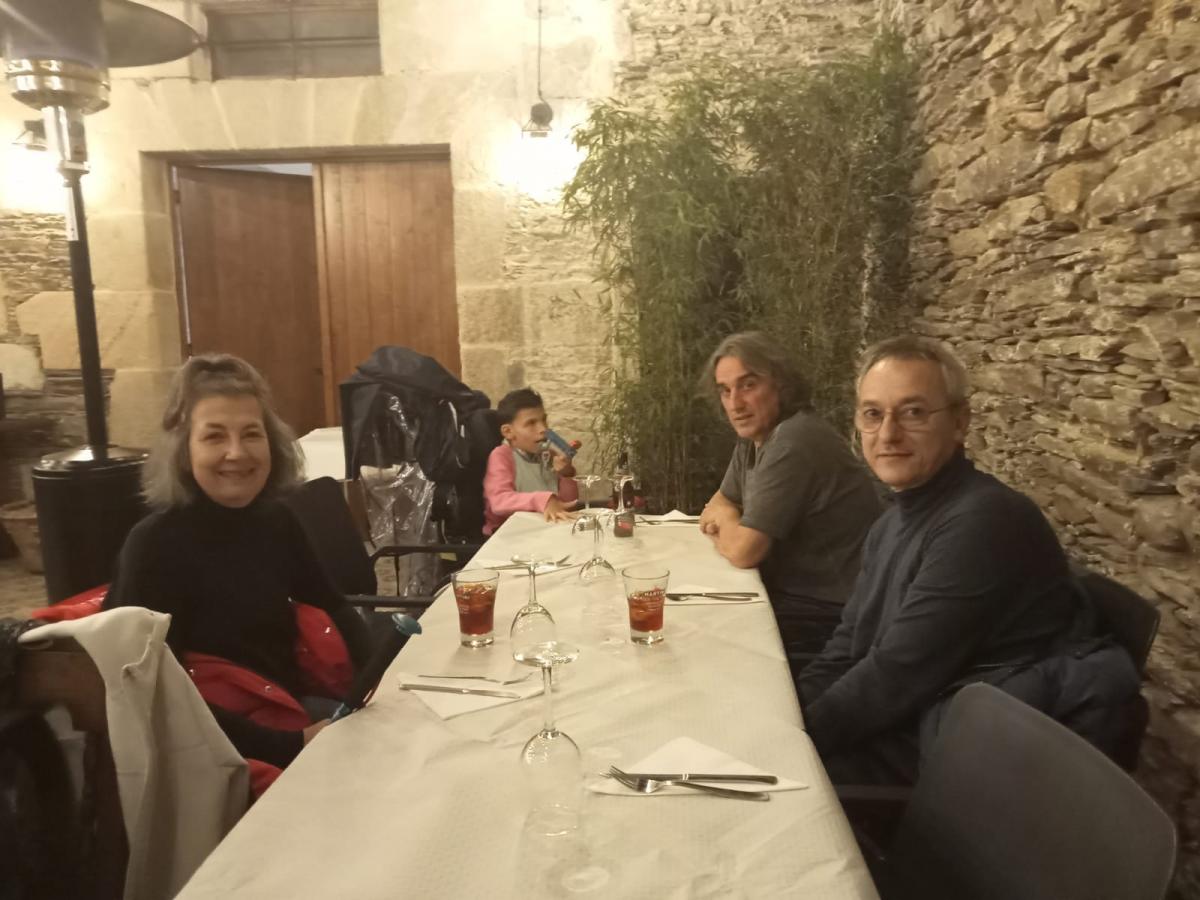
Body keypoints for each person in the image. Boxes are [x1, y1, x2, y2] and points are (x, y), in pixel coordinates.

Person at [797, 336, 1138, 785]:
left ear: (960, 422)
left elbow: (896, 676)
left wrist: (786, 742)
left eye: (913, 412)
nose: (888, 434)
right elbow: (845, 649)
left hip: (961, 765)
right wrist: (783, 714)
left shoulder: (983, 521)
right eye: (873, 414)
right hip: (913, 723)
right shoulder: (891, 523)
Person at [104, 354, 370, 770]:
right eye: (214, 437)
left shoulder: (276, 519)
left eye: (251, 434)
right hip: (214, 752)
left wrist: (377, 678)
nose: (236, 452)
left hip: (286, 707)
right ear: (182, 450)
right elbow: (152, 694)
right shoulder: (155, 545)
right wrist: (291, 744)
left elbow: (332, 603)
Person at [697, 332, 881, 661]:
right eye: (725, 390)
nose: (735, 404)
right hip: (799, 601)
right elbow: (719, 502)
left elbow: (744, 551)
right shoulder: (754, 437)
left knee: (708, 644)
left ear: (780, 384)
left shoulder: (794, 440)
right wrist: (730, 520)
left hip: (835, 616)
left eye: (748, 385)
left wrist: (726, 523)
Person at [482, 387, 579, 534]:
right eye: (531, 423)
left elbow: (567, 505)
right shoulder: (502, 456)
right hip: (510, 535)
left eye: (544, 420)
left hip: (545, 531)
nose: (543, 429)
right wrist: (544, 500)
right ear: (508, 432)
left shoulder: (548, 454)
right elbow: (499, 501)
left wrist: (566, 474)